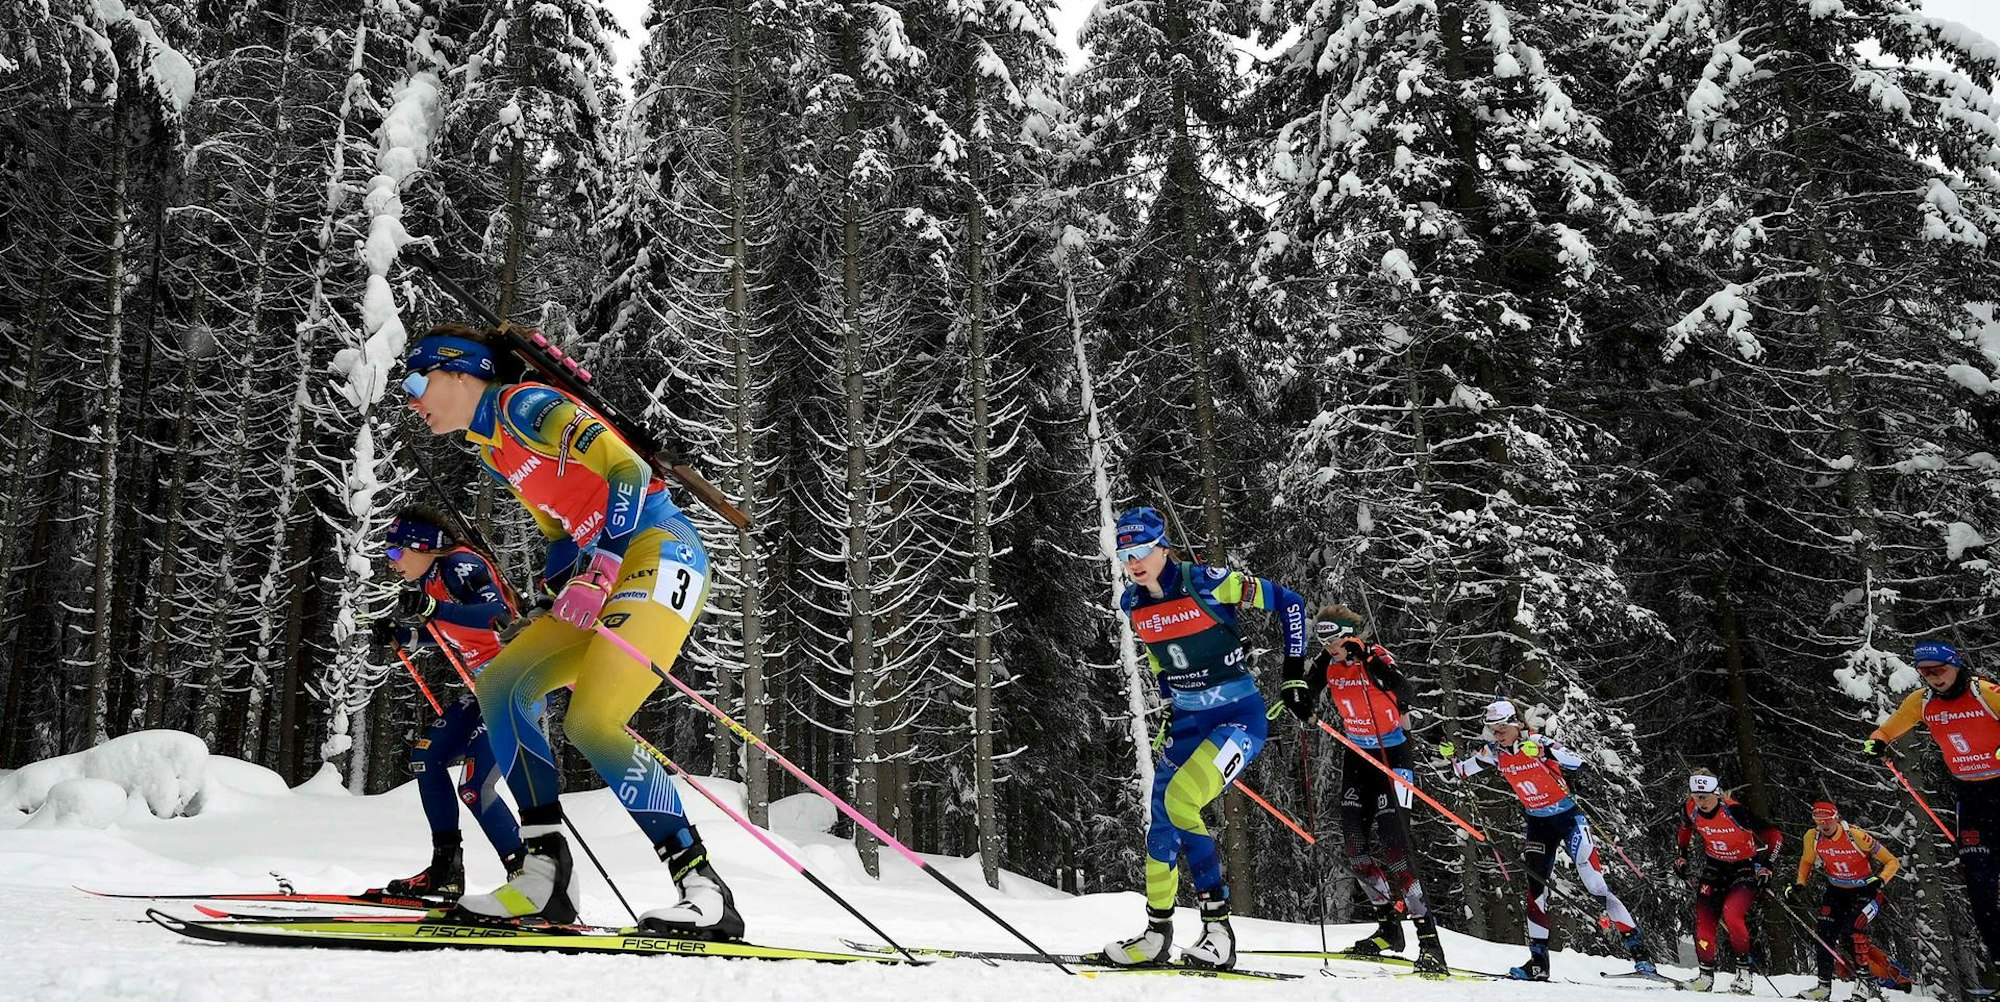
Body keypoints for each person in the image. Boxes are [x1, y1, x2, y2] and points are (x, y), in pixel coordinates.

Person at [399, 323, 738, 938]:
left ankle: (703, 889)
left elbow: (627, 470)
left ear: (461, 372)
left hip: (662, 553)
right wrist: (561, 582)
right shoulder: (493, 444)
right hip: (607, 568)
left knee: (592, 720)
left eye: (418, 379)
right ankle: (543, 874)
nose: (412, 397)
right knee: (503, 685)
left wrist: (601, 565)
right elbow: (558, 529)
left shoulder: (526, 405)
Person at [1100, 506, 1307, 971]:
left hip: (1238, 721)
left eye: (1142, 551)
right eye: (1125, 554)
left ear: (1163, 548)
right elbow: (1162, 661)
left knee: (1182, 800)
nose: (1134, 562)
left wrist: (1294, 675)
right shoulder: (1132, 604)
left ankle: (1219, 931)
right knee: (1160, 824)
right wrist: (1172, 710)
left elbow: (1290, 603)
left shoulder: (1210, 582)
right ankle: (1157, 934)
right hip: (1189, 724)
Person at [1277, 605, 1448, 975]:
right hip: (1356, 754)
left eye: (1335, 639)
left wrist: (1377, 671)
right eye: (1324, 641)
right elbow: (1307, 688)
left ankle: (1429, 941)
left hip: (1392, 755)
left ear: (1350, 635)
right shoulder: (1327, 662)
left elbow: (1404, 689)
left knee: (1394, 845)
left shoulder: (1373, 655)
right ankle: (1389, 927)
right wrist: (1299, 703)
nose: (1330, 647)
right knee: (1355, 849)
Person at [368, 507, 524, 901]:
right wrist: (405, 636)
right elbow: (449, 632)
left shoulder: (459, 564)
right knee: (427, 757)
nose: (392, 563)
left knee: (474, 786)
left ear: (422, 547)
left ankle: (525, 873)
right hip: (483, 688)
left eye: (395, 553)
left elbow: (496, 614)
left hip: (517, 683)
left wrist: (434, 610)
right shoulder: (435, 579)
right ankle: (445, 870)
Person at [1438, 698, 1652, 981]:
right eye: (1492, 729)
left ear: (1516, 724)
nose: (1497, 735)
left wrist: (1543, 750)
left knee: (1595, 884)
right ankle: (1538, 963)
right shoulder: (1493, 752)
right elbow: (1461, 772)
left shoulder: (1537, 740)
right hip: (1538, 824)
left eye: (1502, 728)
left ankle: (1641, 956)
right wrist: (1450, 756)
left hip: (1568, 819)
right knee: (1535, 889)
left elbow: (1580, 763)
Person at [1864, 639, 2000, 970]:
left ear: (1956, 665)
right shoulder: (1922, 702)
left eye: (1940, 671)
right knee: (1979, 882)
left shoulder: (1985, 692)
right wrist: (1878, 741)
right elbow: (1892, 725)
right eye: (1926, 673)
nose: (1935, 678)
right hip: (1970, 796)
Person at [1674, 768, 1782, 993]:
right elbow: (1684, 830)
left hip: (1743, 867)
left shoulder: (1735, 811)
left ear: (1717, 793)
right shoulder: (1690, 808)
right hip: (1715, 867)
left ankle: (1743, 974)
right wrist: (1682, 856)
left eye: (1705, 796)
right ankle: (1705, 976)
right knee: (1704, 921)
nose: (1701, 801)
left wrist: (1767, 867)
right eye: (1696, 796)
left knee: (1732, 914)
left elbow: (1774, 835)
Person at [1785, 800, 1900, 1001]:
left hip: (1865, 891)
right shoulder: (1812, 837)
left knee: (1853, 930)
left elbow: (1892, 861)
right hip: (1836, 890)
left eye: (1827, 820)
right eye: (1818, 820)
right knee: (1824, 934)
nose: (1824, 824)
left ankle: (1865, 983)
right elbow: (1807, 861)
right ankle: (1823, 987)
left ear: (1836, 817)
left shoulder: (1855, 836)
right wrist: (1800, 884)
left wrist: (1880, 880)